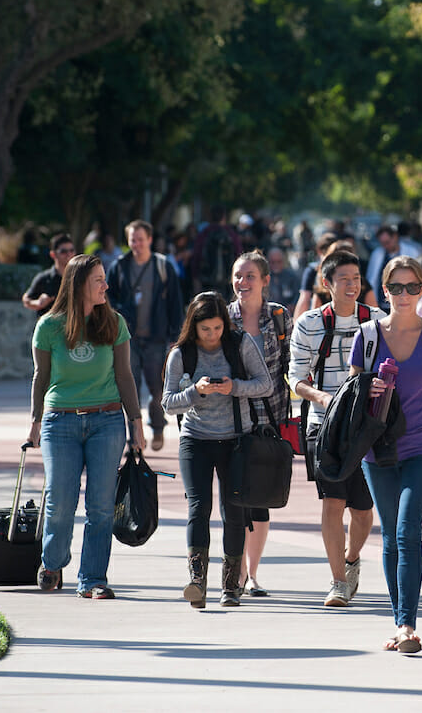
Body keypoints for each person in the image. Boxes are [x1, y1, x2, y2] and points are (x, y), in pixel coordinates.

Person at [350, 256, 422, 653]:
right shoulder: (367, 335)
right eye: (396, 288)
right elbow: (352, 394)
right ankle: (400, 622)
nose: (404, 295)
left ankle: (407, 625)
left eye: (412, 287)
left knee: (407, 530)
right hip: (377, 449)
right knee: (391, 537)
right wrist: (369, 389)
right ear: (384, 291)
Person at [27, 253, 145, 599]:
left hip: (106, 421)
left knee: (101, 505)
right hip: (59, 422)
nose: (105, 285)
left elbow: (125, 376)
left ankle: (93, 579)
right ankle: (53, 562)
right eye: (98, 280)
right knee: (61, 501)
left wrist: (136, 423)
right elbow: (41, 377)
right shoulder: (49, 326)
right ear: (78, 284)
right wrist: (34, 422)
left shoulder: (114, 322)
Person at [162, 292, 272, 609]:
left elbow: (265, 384)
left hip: (236, 439)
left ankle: (230, 586)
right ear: (193, 328)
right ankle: (197, 581)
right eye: (205, 330)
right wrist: (195, 392)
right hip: (195, 439)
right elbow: (167, 403)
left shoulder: (240, 344)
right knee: (198, 507)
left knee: (233, 510)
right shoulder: (181, 354)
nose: (212, 336)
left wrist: (233, 387)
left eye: (217, 328)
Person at [289, 250, 386, 607]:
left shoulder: (377, 321)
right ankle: (338, 582)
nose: (352, 285)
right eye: (344, 279)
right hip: (323, 426)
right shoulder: (309, 323)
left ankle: (350, 558)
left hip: (365, 430)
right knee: (333, 502)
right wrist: (322, 398)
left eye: (356, 279)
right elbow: (295, 378)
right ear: (326, 284)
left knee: (362, 511)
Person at [227, 251, 294, 597]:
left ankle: (252, 574)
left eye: (250, 276)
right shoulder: (223, 318)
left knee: (262, 497)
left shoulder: (280, 317)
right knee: (235, 496)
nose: (243, 282)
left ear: (265, 281)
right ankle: (234, 574)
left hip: (269, 416)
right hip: (231, 418)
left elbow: (290, 365)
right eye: (238, 275)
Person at [106, 220, 184, 451]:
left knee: (157, 387)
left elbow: (175, 303)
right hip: (127, 339)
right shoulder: (119, 267)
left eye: (140, 239)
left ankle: (158, 426)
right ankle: (135, 438)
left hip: (156, 338)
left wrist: (175, 336)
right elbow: (108, 300)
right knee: (130, 389)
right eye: (132, 240)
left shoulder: (162, 266)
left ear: (150, 240)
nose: (136, 244)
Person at [366, 224, 422, 311]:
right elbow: (371, 279)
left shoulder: (412, 252)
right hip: (383, 305)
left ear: (395, 237)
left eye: (387, 242)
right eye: (382, 244)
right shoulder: (377, 254)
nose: (385, 246)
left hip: (405, 303)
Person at [22, 234, 76, 316]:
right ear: (53, 254)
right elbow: (26, 299)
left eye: (71, 250)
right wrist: (38, 303)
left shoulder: (79, 277)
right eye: (63, 251)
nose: (69, 254)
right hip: (49, 327)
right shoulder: (44, 278)